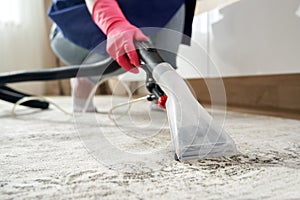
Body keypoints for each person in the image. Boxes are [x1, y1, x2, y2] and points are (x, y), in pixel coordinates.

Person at [48, 0, 196, 112]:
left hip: (134, 22)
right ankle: (86, 77)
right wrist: (114, 25)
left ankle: (162, 92)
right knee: (126, 43)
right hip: (69, 33)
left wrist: (166, 77)